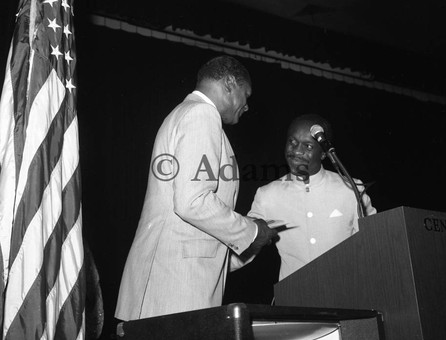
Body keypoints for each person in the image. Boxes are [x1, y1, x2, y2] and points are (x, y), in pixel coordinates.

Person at [115, 55, 277, 320]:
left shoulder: (185, 113)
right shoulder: (202, 114)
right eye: (245, 95)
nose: (247, 106)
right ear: (229, 83)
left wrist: (249, 245)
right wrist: (251, 230)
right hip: (175, 291)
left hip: (170, 284)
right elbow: (193, 201)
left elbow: (194, 236)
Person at [245, 113, 376, 282]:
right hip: (293, 299)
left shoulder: (351, 189)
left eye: (307, 146)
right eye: (292, 142)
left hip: (347, 295)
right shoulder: (267, 195)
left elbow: (374, 243)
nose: (297, 151)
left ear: (323, 154)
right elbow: (244, 242)